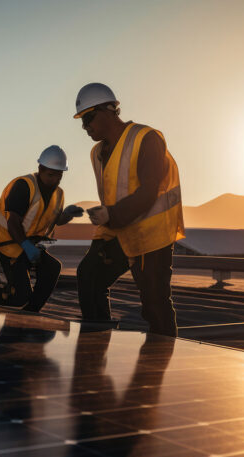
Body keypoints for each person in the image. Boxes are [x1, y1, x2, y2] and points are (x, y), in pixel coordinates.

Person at [73, 83, 185, 336]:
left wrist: (112, 213)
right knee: (89, 276)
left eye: (88, 117)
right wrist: (105, 214)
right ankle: (96, 347)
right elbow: (116, 190)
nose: (85, 126)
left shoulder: (146, 138)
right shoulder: (97, 153)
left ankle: (159, 367)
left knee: (155, 305)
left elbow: (149, 190)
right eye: (82, 121)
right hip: (118, 231)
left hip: (151, 235)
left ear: (108, 110)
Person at [0, 145, 84, 312]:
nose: (55, 180)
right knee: (21, 295)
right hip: (9, 245)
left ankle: (31, 312)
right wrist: (26, 247)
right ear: (40, 169)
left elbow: (55, 220)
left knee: (52, 268)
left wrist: (67, 214)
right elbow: (13, 223)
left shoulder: (58, 193)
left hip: (31, 245)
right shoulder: (24, 186)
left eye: (59, 176)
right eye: (51, 175)